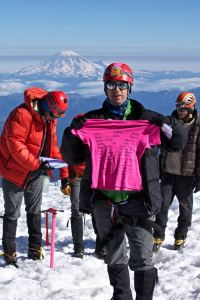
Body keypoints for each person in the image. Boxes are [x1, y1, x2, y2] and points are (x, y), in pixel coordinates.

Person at [60, 62, 186, 300]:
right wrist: (70, 134)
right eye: (111, 85)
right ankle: (122, 296)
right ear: (105, 88)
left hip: (139, 199)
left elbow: (177, 142)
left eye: (121, 85)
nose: (116, 90)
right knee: (113, 254)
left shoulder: (145, 121)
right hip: (103, 200)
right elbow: (72, 157)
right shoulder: (91, 121)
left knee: (142, 256)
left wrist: (165, 123)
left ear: (130, 88)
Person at [0, 87, 70, 267]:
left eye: (57, 117)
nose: (54, 119)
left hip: (36, 171)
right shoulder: (21, 115)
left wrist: (64, 175)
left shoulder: (49, 119)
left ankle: (35, 248)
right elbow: (16, 146)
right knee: (12, 213)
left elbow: (52, 147)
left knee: (34, 210)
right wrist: (38, 164)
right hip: (13, 172)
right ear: (47, 107)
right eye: (54, 115)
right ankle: (9, 252)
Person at [153, 91, 200, 252]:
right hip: (167, 172)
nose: (180, 110)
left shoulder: (198, 126)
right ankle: (158, 236)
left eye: (184, 108)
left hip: (187, 175)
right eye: (179, 107)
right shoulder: (169, 123)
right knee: (161, 207)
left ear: (191, 108)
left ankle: (180, 237)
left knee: (185, 209)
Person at [63, 162, 105, 259]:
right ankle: (78, 247)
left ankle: (101, 246)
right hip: (76, 175)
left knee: (97, 210)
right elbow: (64, 157)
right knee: (77, 211)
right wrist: (65, 178)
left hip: (96, 174)